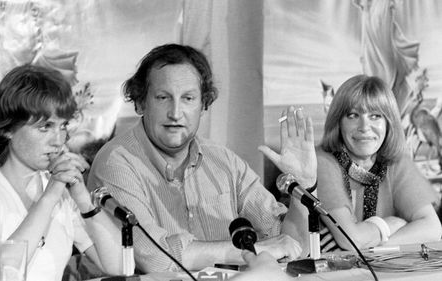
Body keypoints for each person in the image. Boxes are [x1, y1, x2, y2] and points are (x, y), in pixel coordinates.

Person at [88, 43, 316, 272]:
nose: (175, 113)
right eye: (162, 97)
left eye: (188, 98)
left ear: (204, 105)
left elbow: (292, 247)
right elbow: (155, 259)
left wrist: (302, 190)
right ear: (140, 103)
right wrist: (252, 251)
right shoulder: (115, 162)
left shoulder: (224, 161)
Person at [0, 64, 123, 281]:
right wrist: (49, 196)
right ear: (7, 129)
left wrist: (83, 200)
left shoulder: (63, 194)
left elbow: (120, 266)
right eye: (45, 127)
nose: (59, 141)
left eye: (62, 126)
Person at [317, 74, 442, 252]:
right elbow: (351, 239)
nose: (364, 126)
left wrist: (375, 243)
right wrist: (391, 224)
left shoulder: (396, 162)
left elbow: (432, 228)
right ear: (338, 123)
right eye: (353, 115)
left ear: (388, 123)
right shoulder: (323, 162)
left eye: (375, 116)